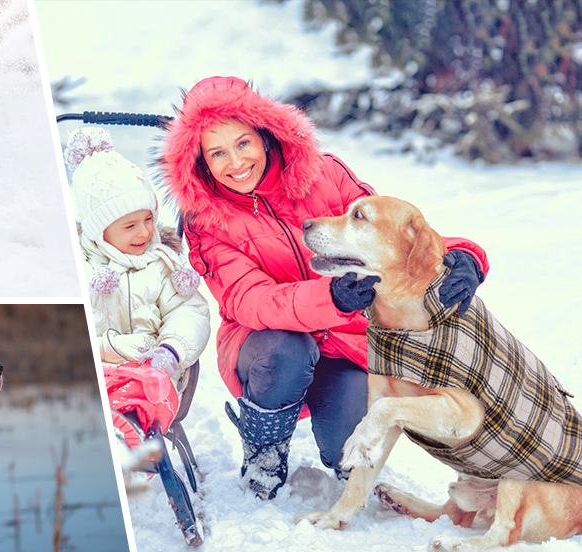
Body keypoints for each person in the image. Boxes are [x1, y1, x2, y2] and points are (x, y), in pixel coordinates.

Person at [159, 76, 489, 500]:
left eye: (243, 143)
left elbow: (391, 230)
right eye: (217, 153)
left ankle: (337, 430)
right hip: (266, 345)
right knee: (285, 351)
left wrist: (462, 256)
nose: (235, 162)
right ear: (201, 162)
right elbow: (250, 300)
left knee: (347, 452)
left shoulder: (323, 173)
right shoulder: (206, 220)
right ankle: (264, 449)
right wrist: (330, 298)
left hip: (346, 342)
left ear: (265, 135)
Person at [65, 126, 211, 462]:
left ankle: (122, 437)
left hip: (153, 371)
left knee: (143, 390)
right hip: (100, 365)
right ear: (98, 231)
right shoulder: (80, 268)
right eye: (129, 226)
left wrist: (169, 353)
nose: (145, 231)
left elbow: (189, 313)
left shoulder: (162, 265)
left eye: (148, 218)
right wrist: (106, 350)